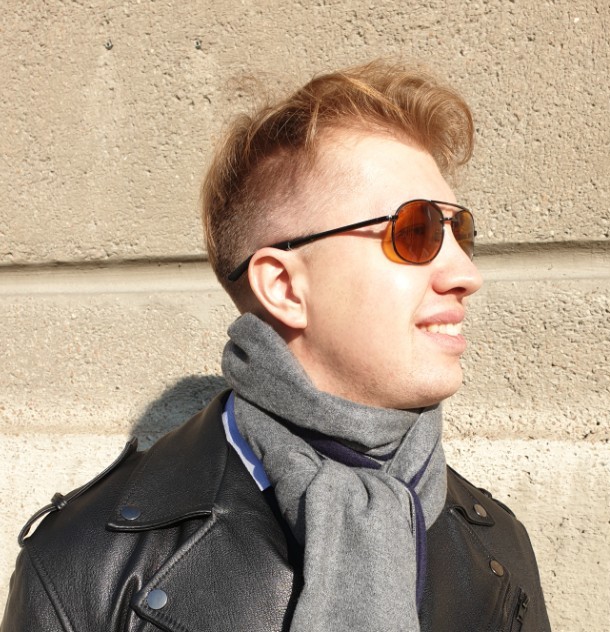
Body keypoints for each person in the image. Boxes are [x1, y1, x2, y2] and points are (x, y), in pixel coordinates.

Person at [1, 59, 551, 631]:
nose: (466, 274)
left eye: (460, 233)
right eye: (417, 232)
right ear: (284, 287)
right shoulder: (84, 566)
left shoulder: (497, 545)